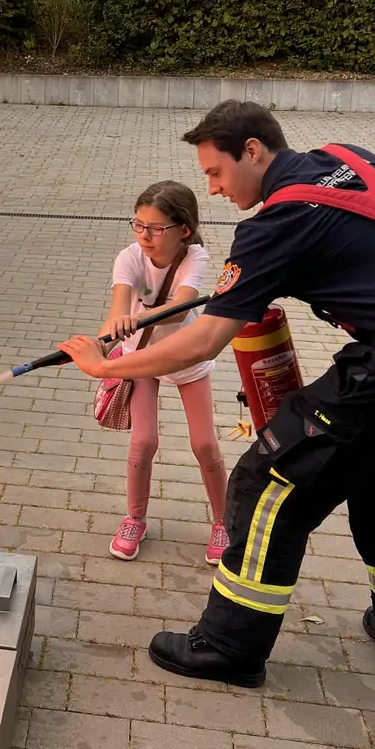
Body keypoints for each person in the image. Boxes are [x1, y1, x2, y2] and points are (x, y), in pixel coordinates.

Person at [56, 100, 375, 688]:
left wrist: (103, 364)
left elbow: (201, 342)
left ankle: (229, 647)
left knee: (267, 483)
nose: (212, 190)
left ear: (253, 151)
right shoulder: (347, 158)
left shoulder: (274, 224)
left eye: (216, 172)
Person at [102, 181, 231, 565]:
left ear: (184, 229)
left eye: (156, 228)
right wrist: (101, 345)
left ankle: (224, 522)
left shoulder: (195, 256)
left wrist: (138, 318)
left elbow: (179, 310)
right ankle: (134, 519)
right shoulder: (129, 257)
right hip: (141, 357)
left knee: (204, 444)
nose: (144, 235)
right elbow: (116, 314)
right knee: (143, 441)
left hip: (184, 355)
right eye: (138, 225)